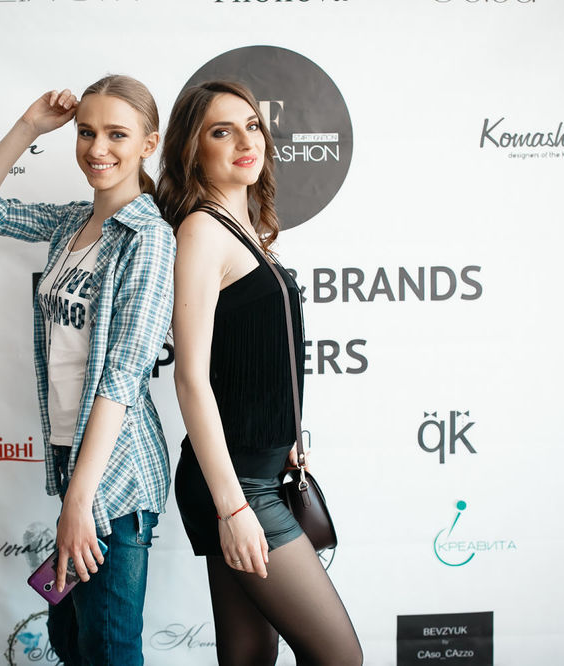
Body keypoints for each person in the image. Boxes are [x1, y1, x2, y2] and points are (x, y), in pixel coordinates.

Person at [0, 74, 175, 666]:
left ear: (148, 144)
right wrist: (30, 126)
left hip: (115, 475)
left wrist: (80, 499)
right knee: (73, 643)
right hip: (77, 463)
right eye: (86, 132)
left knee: (108, 650)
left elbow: (123, 377)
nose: (97, 148)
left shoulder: (149, 239)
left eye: (117, 134)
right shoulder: (71, 224)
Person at [156, 80, 363, 665]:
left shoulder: (244, 228)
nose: (247, 142)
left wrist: (286, 437)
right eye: (222, 131)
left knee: (247, 655)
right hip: (237, 485)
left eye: (252, 126)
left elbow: (253, 354)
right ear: (192, 149)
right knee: (340, 658)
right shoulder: (202, 231)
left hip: (260, 471)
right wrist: (234, 508)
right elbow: (191, 379)